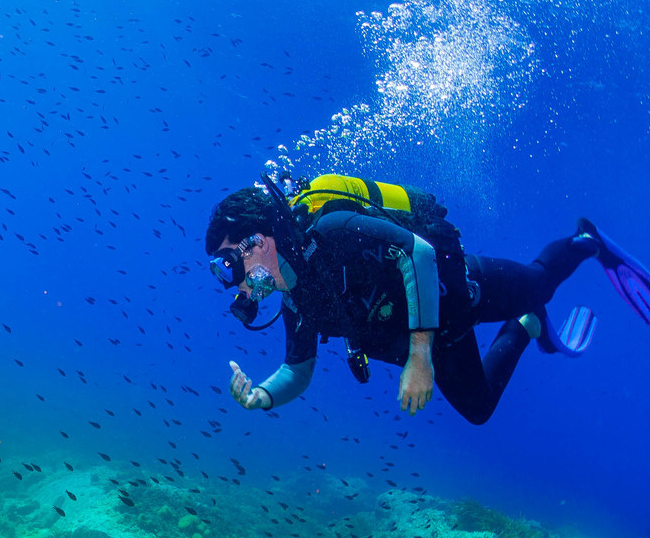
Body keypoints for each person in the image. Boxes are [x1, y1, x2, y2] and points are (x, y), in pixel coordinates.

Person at [202, 174, 650, 424]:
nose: (233, 286)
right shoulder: (298, 298)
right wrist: (261, 396)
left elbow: (417, 251)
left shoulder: (333, 231)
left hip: (462, 294)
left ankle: (586, 240)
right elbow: (297, 371)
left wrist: (419, 358)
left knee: (539, 283)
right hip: (441, 345)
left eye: (228, 266)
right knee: (479, 410)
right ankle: (527, 324)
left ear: (257, 242)